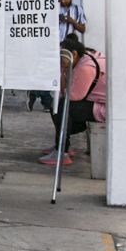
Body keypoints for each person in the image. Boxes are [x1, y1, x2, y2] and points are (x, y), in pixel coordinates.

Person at [41, 35, 107, 166]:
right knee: (59, 104)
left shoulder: (85, 68)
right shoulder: (86, 57)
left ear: (74, 54)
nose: (59, 61)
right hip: (100, 103)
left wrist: (63, 72)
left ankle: (62, 151)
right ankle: (60, 143)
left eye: (62, 58)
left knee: (60, 106)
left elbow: (73, 96)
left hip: (104, 109)